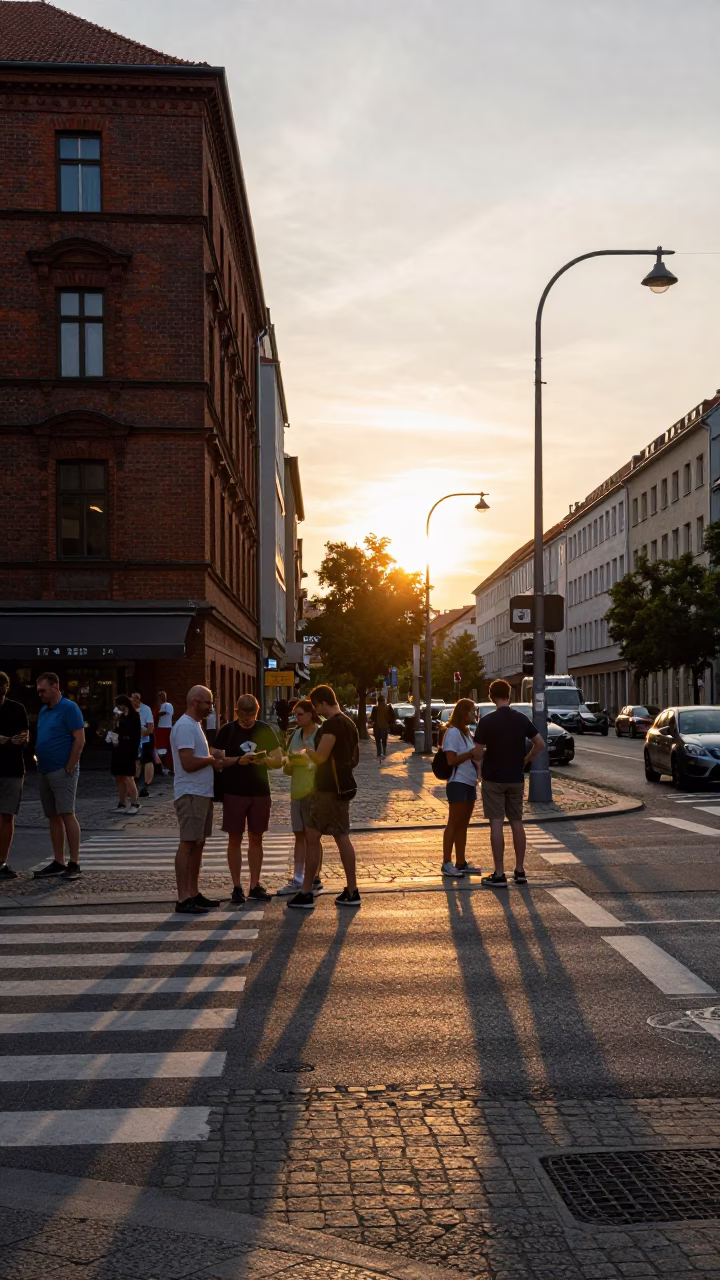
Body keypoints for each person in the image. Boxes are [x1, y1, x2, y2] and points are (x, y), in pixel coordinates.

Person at [287, 683, 361, 910]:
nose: (316, 711)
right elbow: (354, 758)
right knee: (340, 835)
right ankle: (351, 890)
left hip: (327, 789)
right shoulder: (349, 723)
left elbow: (320, 757)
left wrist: (304, 752)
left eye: (316, 706)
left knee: (311, 836)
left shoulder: (332, 725)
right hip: (342, 787)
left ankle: (306, 891)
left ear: (322, 703)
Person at [213, 693, 284, 905]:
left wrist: (266, 761)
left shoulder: (264, 729)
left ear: (257, 712)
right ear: (237, 712)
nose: (248, 721)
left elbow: (279, 760)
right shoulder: (227, 730)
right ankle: (236, 886)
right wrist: (237, 760)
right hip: (234, 791)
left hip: (260, 791)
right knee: (234, 838)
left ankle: (254, 884)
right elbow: (216, 760)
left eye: (252, 716)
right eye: (244, 717)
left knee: (256, 837)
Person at [473, 679, 544, 887]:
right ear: (509, 695)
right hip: (515, 777)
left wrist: (483, 758)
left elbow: (477, 753)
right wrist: (525, 759)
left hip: (493, 778)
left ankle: (499, 873)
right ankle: (520, 871)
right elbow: (539, 743)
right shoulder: (521, 719)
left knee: (496, 823)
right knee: (516, 822)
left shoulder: (486, 721)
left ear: (491, 696)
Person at [170, 684, 226, 915]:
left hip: (202, 793)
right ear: (194, 702)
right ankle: (183, 897)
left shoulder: (196, 725)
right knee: (188, 843)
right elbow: (188, 763)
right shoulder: (184, 726)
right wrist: (211, 758)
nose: (210, 707)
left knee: (199, 843)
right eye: (208, 703)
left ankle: (194, 892)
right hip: (190, 793)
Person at [33, 672, 85, 881]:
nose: (40, 695)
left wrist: (70, 766)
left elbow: (79, 739)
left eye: (43, 690)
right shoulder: (45, 710)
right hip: (44, 769)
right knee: (53, 816)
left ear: (55, 686)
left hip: (61, 769)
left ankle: (74, 862)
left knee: (66, 813)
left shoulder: (69, 708)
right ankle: (58, 861)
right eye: (38, 691)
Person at [278, 697, 323, 897]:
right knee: (299, 834)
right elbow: (287, 765)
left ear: (310, 714)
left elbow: (323, 761)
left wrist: (309, 761)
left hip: (314, 790)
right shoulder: (295, 734)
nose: (296, 718)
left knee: (313, 836)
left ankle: (315, 877)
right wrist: (290, 763)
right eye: (294, 715)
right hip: (297, 789)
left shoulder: (320, 734)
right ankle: (298, 877)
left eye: (299, 714)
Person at [441, 698, 482, 879]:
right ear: (464, 713)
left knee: (463, 825)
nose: (474, 714)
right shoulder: (453, 733)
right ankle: (446, 862)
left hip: (469, 782)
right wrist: (470, 754)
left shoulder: (467, 733)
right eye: (472, 711)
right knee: (454, 823)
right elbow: (450, 760)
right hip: (457, 782)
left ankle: (461, 862)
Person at [0, 671, 29, 880]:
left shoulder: (17, 709)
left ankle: (1, 861)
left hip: (12, 768)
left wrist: (22, 739)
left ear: (6, 689)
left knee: (7, 815)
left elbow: (26, 734)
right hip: (11, 769)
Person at [108, 695, 141, 815]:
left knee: (128, 777)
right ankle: (122, 803)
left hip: (129, 749)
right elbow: (116, 730)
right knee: (119, 777)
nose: (118, 707)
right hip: (118, 749)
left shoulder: (134, 717)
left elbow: (135, 735)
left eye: (119, 705)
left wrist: (133, 749)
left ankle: (135, 802)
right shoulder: (120, 717)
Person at [131, 692, 154, 797]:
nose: (135, 701)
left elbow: (150, 728)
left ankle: (146, 785)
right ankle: (134, 784)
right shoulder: (129, 708)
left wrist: (141, 734)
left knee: (147, 760)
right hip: (133, 738)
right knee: (136, 761)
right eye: (133, 699)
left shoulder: (146, 709)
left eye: (137, 699)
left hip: (144, 737)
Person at [369, 695, 396, 760]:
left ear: (378, 701)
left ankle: (379, 753)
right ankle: (384, 752)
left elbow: (372, 718)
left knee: (378, 741)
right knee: (384, 741)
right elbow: (393, 717)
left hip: (377, 727)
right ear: (384, 700)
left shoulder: (375, 708)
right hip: (385, 727)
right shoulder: (388, 707)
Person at [154, 691, 174, 772]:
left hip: (165, 727)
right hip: (161, 727)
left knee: (163, 746)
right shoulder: (161, 706)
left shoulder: (167, 705)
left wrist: (155, 715)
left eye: (162, 696)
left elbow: (163, 713)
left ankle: (166, 766)